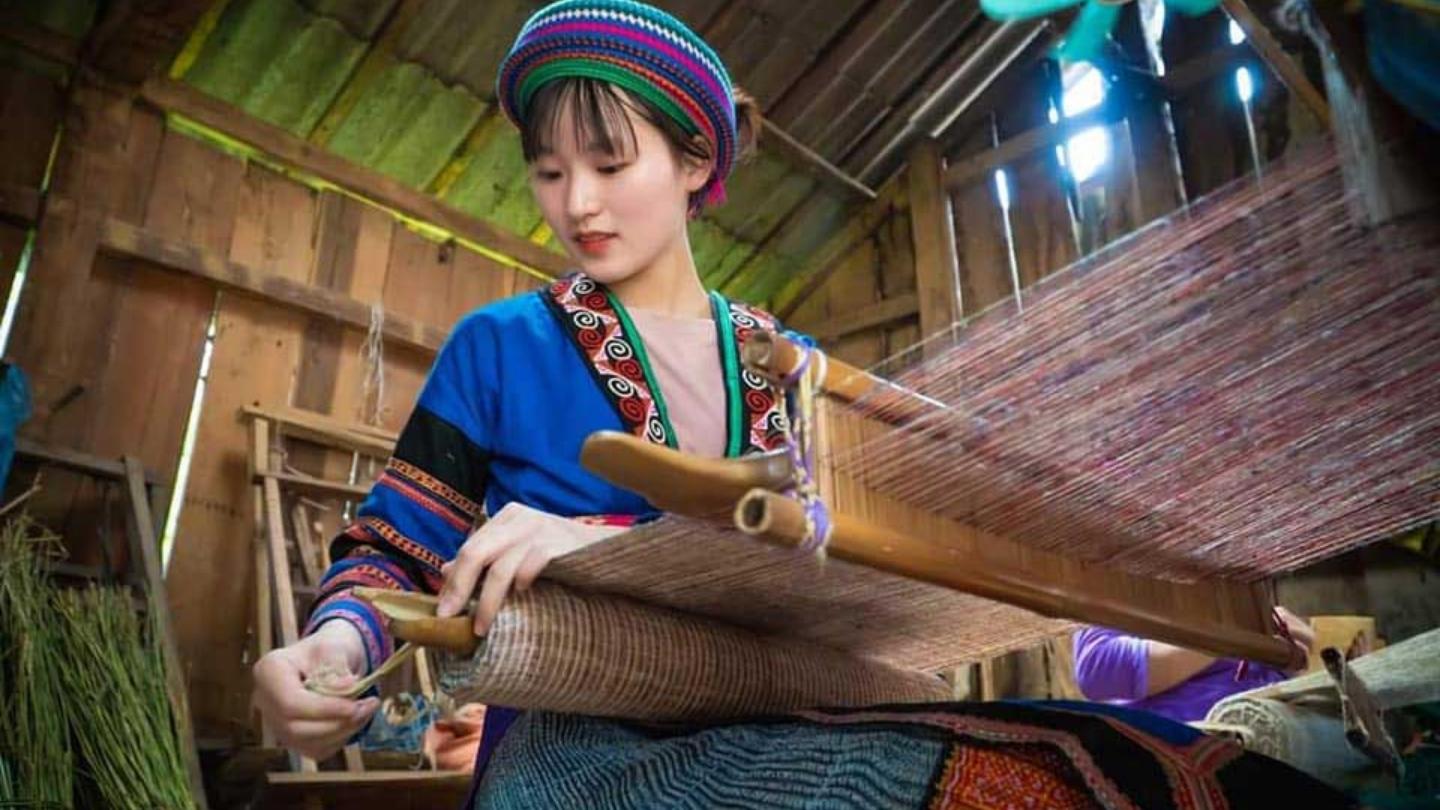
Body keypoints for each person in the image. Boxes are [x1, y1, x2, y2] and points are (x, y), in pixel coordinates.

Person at [253, 2, 1348, 806]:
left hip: (792, 716)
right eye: (548, 171)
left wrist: (587, 539)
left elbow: (846, 577)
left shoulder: (792, 372)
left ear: (692, 160)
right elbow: (391, 552)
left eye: (609, 160)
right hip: (579, 761)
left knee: (1158, 768)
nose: (574, 201)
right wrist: (333, 650)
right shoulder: (503, 348)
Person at [1073, 607, 1317, 723]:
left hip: (1268, 735)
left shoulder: (1244, 570)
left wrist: (1289, 645)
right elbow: (1097, 670)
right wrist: (1232, 635)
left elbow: (1295, 642)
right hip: (1176, 751)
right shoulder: (1117, 578)